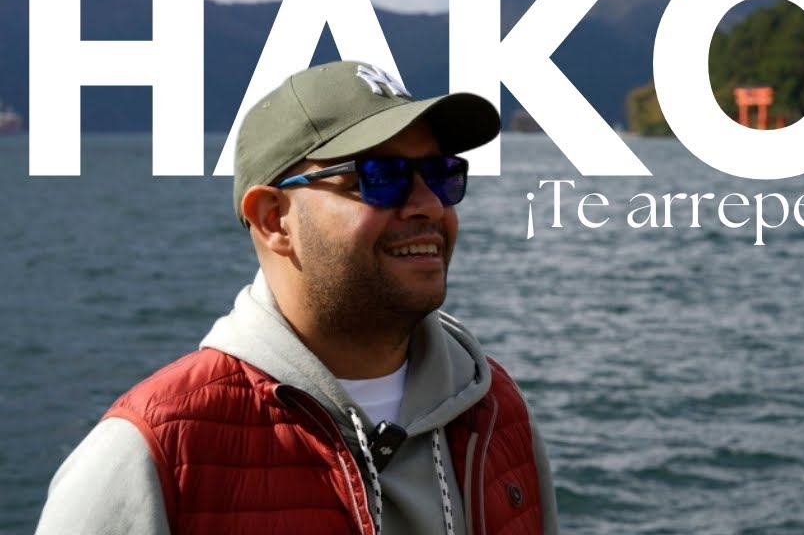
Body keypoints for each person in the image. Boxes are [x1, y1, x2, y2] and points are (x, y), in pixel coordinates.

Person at [36, 61, 558, 535]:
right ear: (273, 220)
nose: (428, 204)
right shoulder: (152, 455)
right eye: (380, 177)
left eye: (442, 175)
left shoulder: (495, 413)